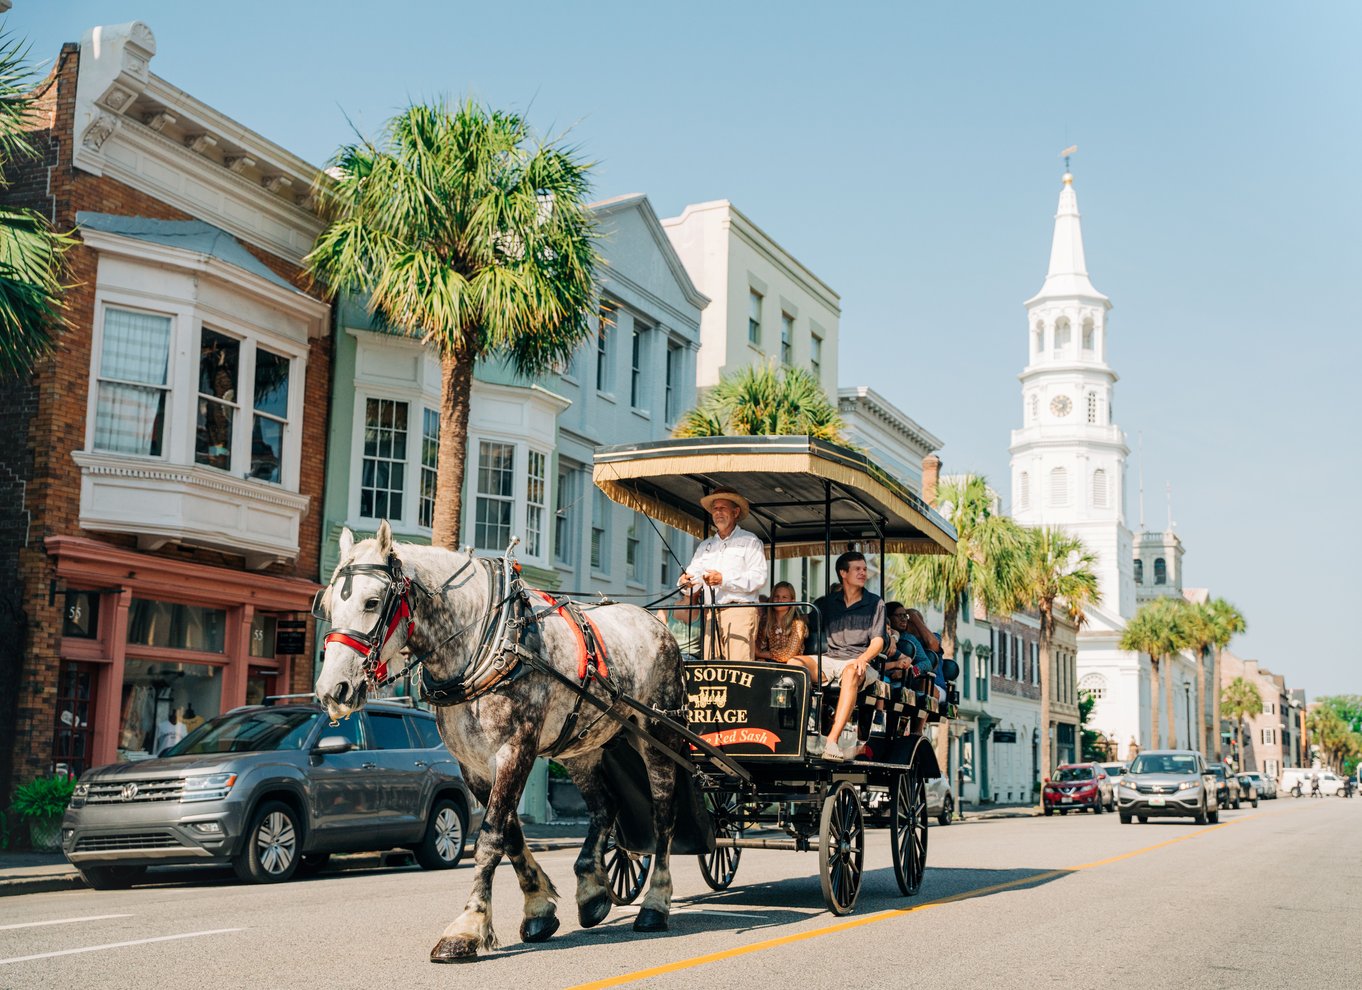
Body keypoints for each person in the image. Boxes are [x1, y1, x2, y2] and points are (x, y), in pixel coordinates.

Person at [810, 551, 885, 761]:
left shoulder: (875, 603)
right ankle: (801, 734)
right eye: (857, 569)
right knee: (794, 664)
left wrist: (863, 658)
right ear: (843, 573)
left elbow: (878, 641)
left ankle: (831, 741)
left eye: (864, 568)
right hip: (829, 659)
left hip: (859, 662)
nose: (863, 572)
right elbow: (806, 624)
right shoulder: (827, 602)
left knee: (852, 671)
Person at [678, 490, 767, 662]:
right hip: (711, 613)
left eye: (723, 508)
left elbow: (758, 578)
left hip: (739, 611)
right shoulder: (705, 546)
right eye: (715, 509)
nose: (718, 512)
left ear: (735, 512)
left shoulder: (750, 541)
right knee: (713, 670)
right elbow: (693, 579)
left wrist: (723, 580)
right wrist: (685, 583)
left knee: (737, 670)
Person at [756, 581, 811, 674]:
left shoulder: (798, 624)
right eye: (776, 596)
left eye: (784, 597)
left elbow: (788, 654)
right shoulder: (766, 622)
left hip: (792, 666)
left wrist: (761, 654)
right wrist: (760, 656)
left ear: (792, 601)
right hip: (770, 665)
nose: (780, 600)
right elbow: (760, 648)